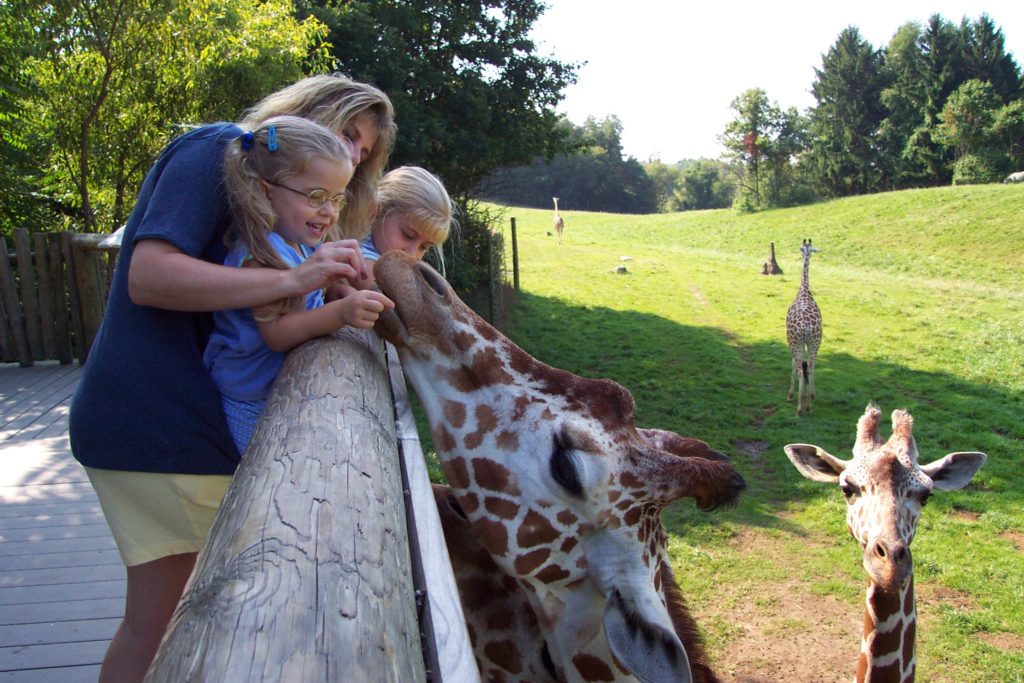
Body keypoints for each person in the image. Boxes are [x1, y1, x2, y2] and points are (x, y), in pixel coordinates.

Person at [68, 74, 396, 683]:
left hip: (175, 431)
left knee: (160, 624)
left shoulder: (275, 218)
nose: (354, 155)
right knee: (164, 627)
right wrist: (295, 280)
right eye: (350, 134)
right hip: (159, 428)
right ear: (308, 113)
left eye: (364, 151)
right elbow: (149, 275)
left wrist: (327, 281)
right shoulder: (215, 149)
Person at [204, 116, 393, 454]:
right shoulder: (263, 254)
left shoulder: (301, 245)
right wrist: (342, 312)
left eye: (337, 199)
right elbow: (277, 334)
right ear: (268, 191)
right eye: (317, 196)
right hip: (249, 398)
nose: (329, 212)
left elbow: (311, 294)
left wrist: (340, 289)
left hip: (275, 387)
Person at [356, 165, 456, 281]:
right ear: (377, 211)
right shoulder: (361, 259)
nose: (412, 254)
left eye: (423, 247)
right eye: (408, 235)